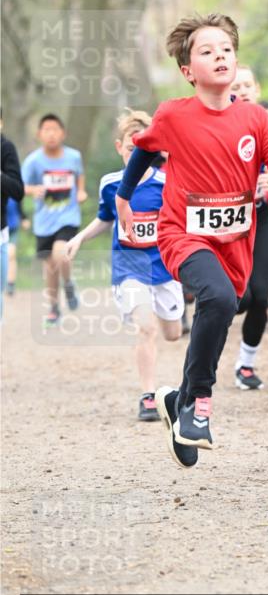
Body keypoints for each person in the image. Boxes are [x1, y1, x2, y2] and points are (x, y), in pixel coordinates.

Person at [115, 14, 268, 468]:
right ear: (188, 70)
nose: (220, 56)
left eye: (226, 49)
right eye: (207, 51)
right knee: (218, 298)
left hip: (235, 241)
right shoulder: (173, 115)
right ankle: (199, 405)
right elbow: (144, 148)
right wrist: (123, 196)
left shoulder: (255, 119)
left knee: (224, 304)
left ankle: (178, 399)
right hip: (181, 233)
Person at [65, 110, 184, 422]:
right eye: (131, 149)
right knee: (146, 328)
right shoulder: (111, 184)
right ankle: (148, 396)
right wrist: (80, 238)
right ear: (120, 147)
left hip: (164, 268)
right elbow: (106, 218)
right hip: (129, 268)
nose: (136, 156)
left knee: (172, 333)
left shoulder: (166, 182)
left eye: (142, 149)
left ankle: (171, 319)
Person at [227, 67, 268, 391]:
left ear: (258, 89)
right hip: (224, 221)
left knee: (261, 296)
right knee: (239, 299)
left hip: (260, 216)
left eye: (247, 85)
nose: (242, 91)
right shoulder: (218, 124)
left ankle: (246, 364)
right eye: (236, 86)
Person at [21, 114, 87, 326]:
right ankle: (54, 309)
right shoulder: (33, 161)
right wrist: (33, 190)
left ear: (63, 133)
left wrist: (81, 191)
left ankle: (68, 284)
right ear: (39, 134)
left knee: (61, 253)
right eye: (46, 130)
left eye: (55, 129)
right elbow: (20, 185)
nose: (51, 134)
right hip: (44, 222)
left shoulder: (74, 156)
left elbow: (79, 175)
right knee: (50, 268)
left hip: (68, 216)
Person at [1, 124, 25, 320]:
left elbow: (18, 192)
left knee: (11, 254)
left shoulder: (6, 149)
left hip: (5, 227)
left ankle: (10, 284)